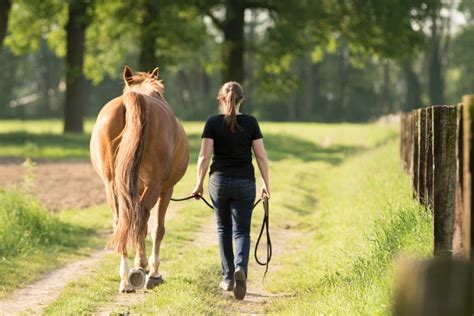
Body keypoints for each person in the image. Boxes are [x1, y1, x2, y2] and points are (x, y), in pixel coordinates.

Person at [191, 81, 270, 300]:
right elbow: (261, 156)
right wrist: (266, 184)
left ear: (221, 99)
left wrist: (198, 184)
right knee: (242, 231)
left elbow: (204, 156)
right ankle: (241, 269)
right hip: (245, 182)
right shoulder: (251, 122)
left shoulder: (212, 123)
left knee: (224, 229)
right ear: (242, 99)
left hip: (219, 182)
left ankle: (227, 278)